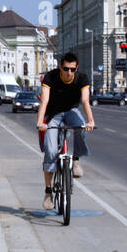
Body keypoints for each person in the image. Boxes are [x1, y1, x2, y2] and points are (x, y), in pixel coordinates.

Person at [36, 52, 95, 209]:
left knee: (80, 125)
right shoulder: (51, 77)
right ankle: (48, 193)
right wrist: (40, 121)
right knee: (50, 149)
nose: (69, 73)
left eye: (72, 69)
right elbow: (45, 100)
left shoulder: (82, 78)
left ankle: (76, 161)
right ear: (60, 67)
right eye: (66, 69)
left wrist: (91, 120)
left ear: (76, 68)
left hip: (70, 111)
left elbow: (84, 100)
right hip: (53, 114)